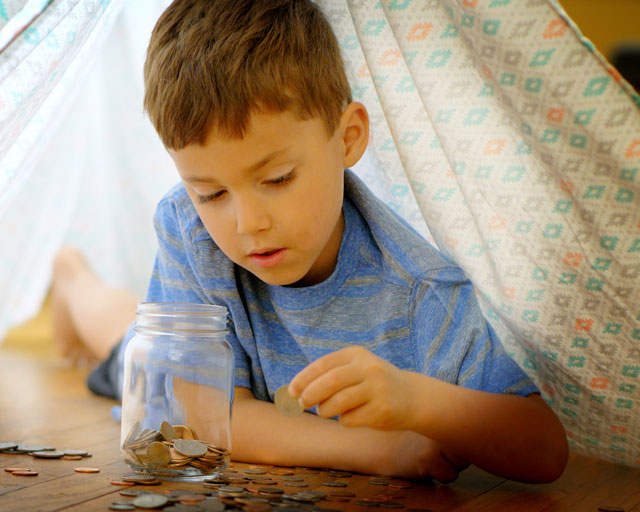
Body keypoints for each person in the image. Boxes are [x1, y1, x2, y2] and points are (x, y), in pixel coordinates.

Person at [52, 0, 568, 483]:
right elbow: (194, 416)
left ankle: (75, 279)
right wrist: (385, 450)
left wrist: (418, 402)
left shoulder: (420, 291)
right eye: (210, 193)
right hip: (190, 368)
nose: (248, 223)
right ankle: (72, 278)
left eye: (276, 179)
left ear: (348, 139)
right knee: (125, 346)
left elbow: (544, 450)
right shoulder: (190, 227)